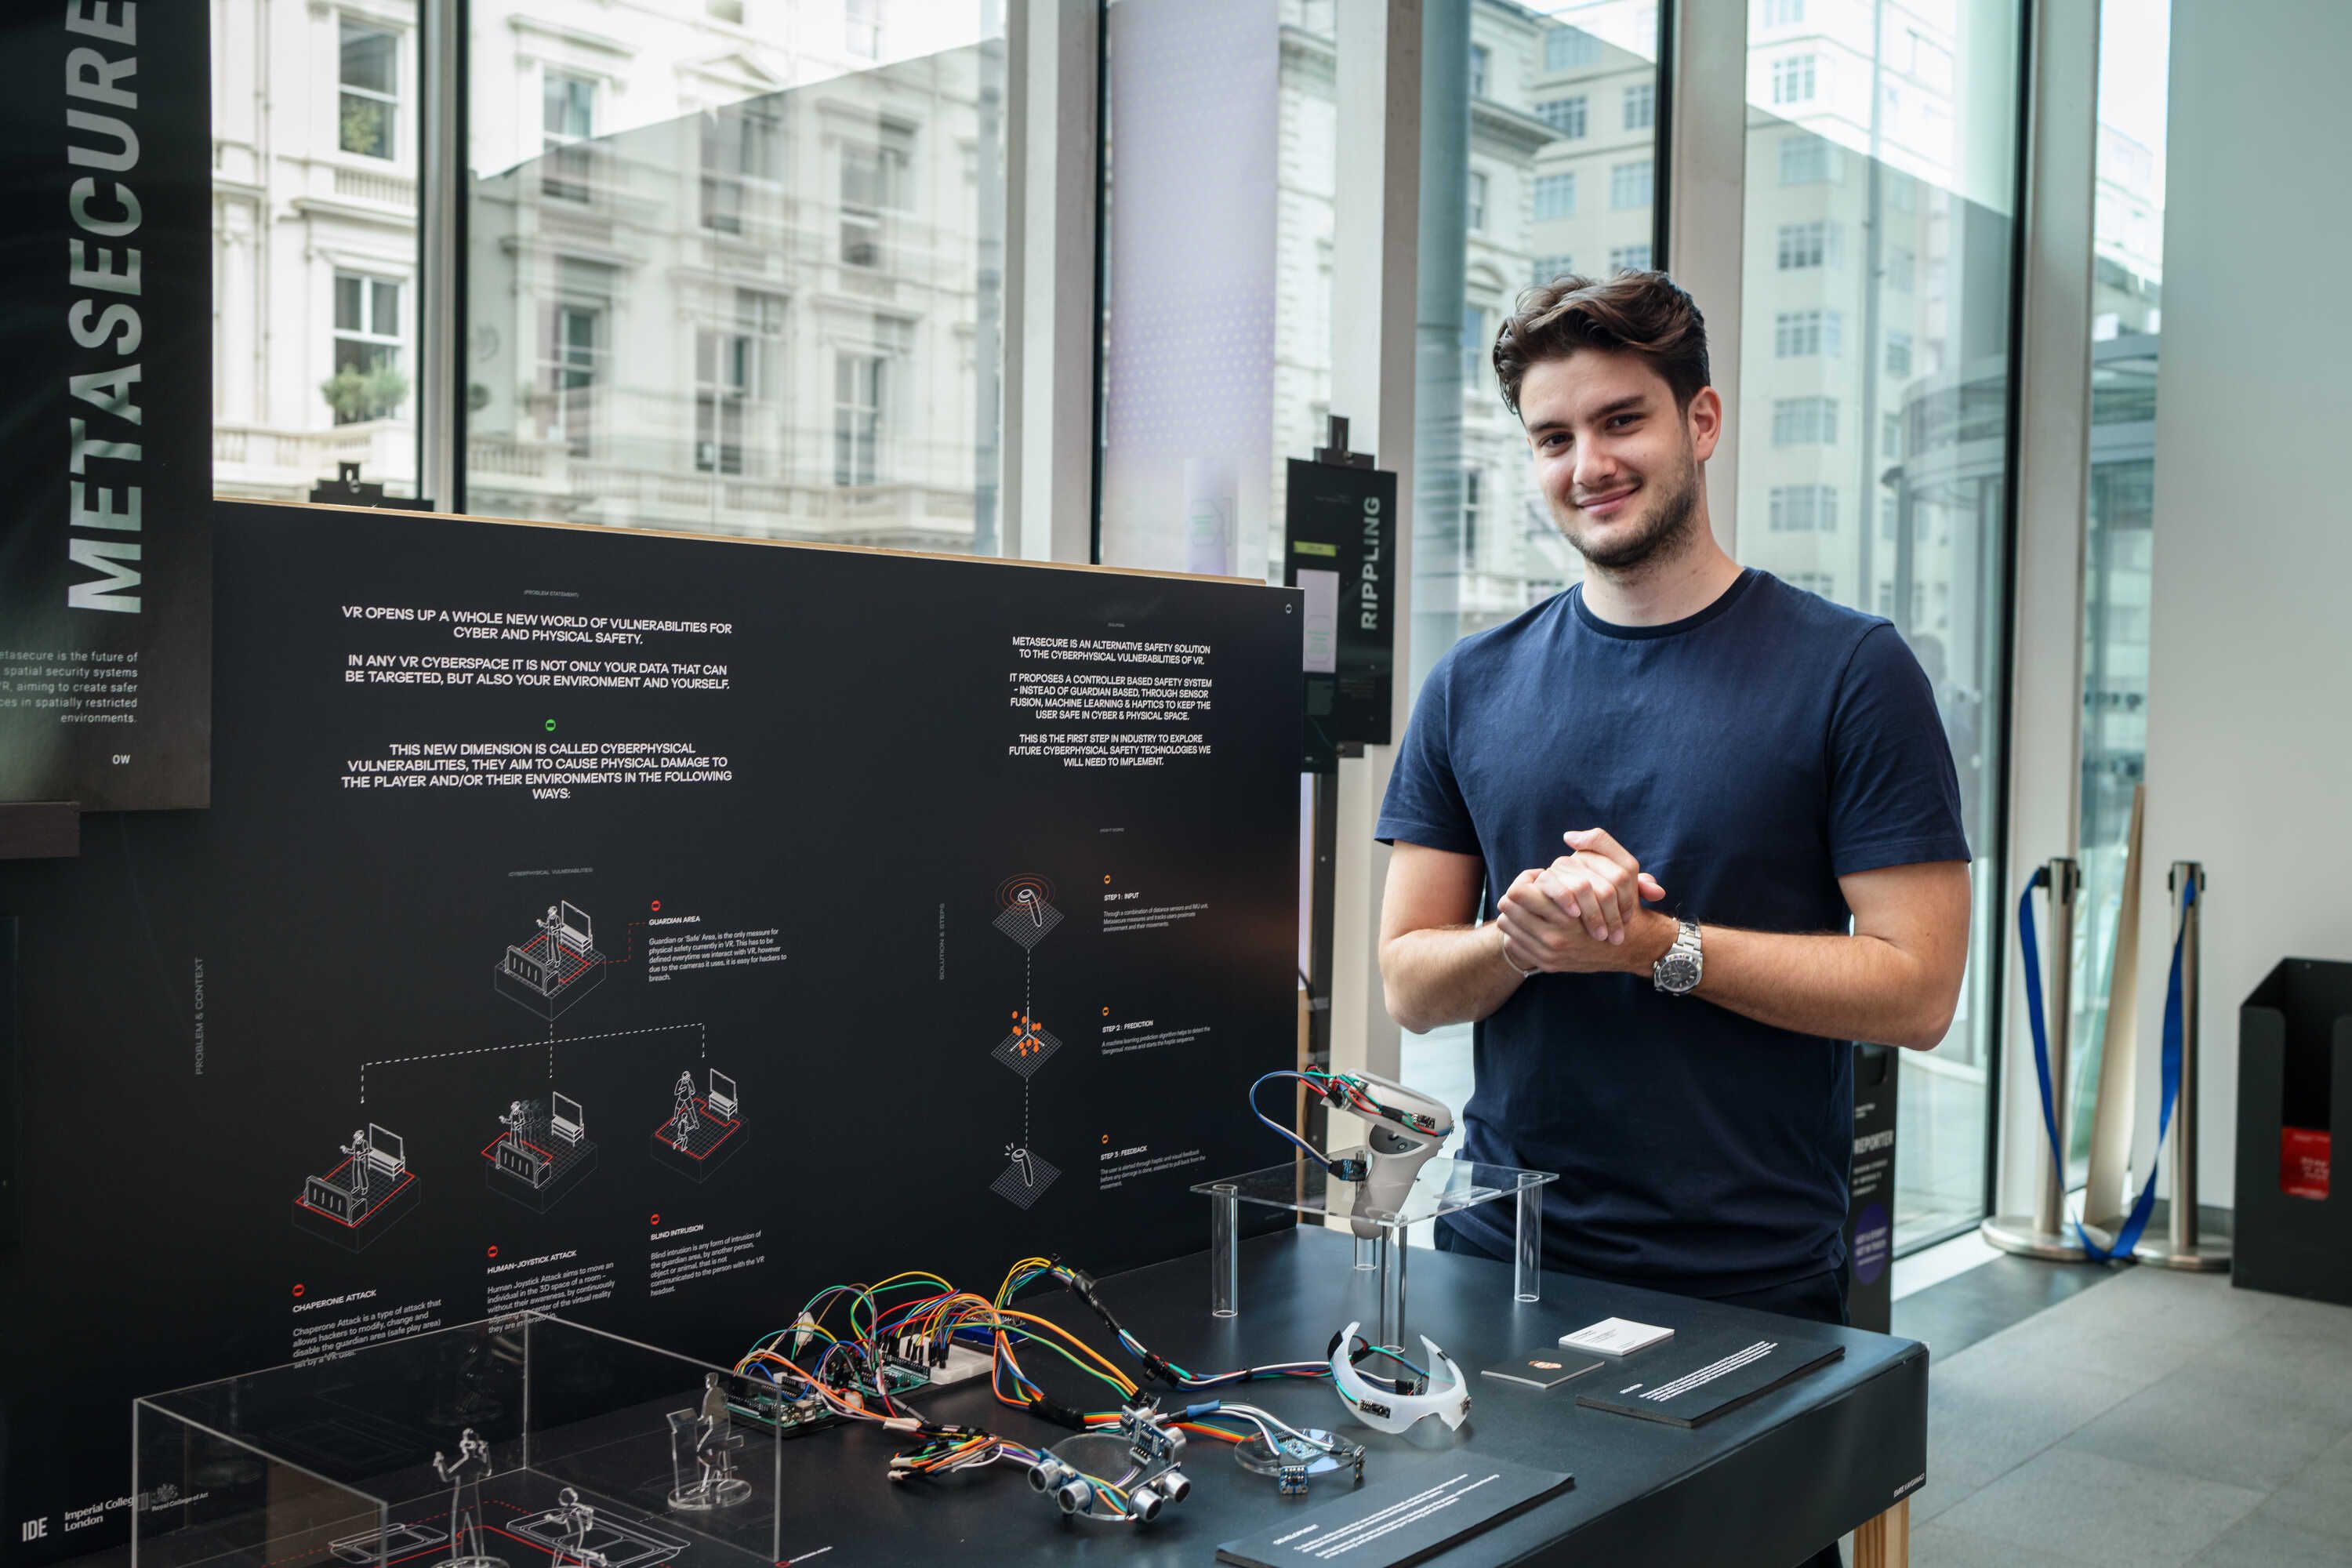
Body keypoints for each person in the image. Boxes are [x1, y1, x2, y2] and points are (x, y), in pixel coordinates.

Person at [1374, 271, 1969, 1568]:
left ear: (1702, 421)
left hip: (1746, 1267)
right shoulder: (1471, 684)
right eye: (1552, 436)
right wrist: (1520, 939)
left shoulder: (1850, 671)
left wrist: (1659, 948)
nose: (1589, 463)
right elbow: (1412, 983)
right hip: (1507, 1255)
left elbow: (1920, 989)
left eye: (1621, 421)